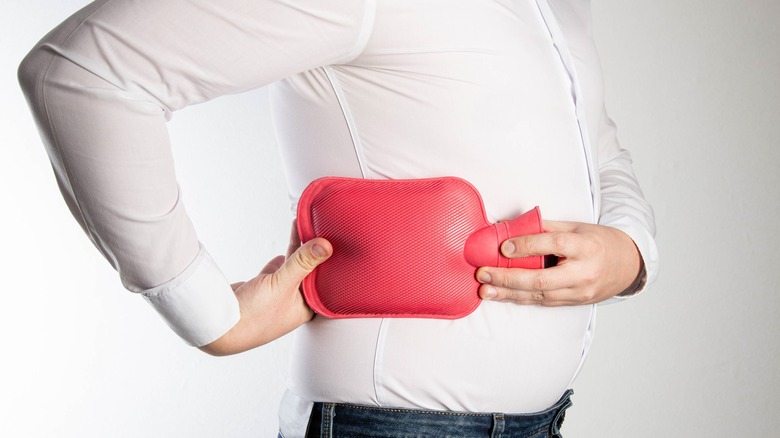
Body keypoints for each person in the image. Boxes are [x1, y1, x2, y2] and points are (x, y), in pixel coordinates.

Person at [18, 0, 659, 436]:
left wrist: (631, 251)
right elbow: (82, 73)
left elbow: (597, 141)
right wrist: (208, 313)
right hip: (388, 424)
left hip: (546, 420)